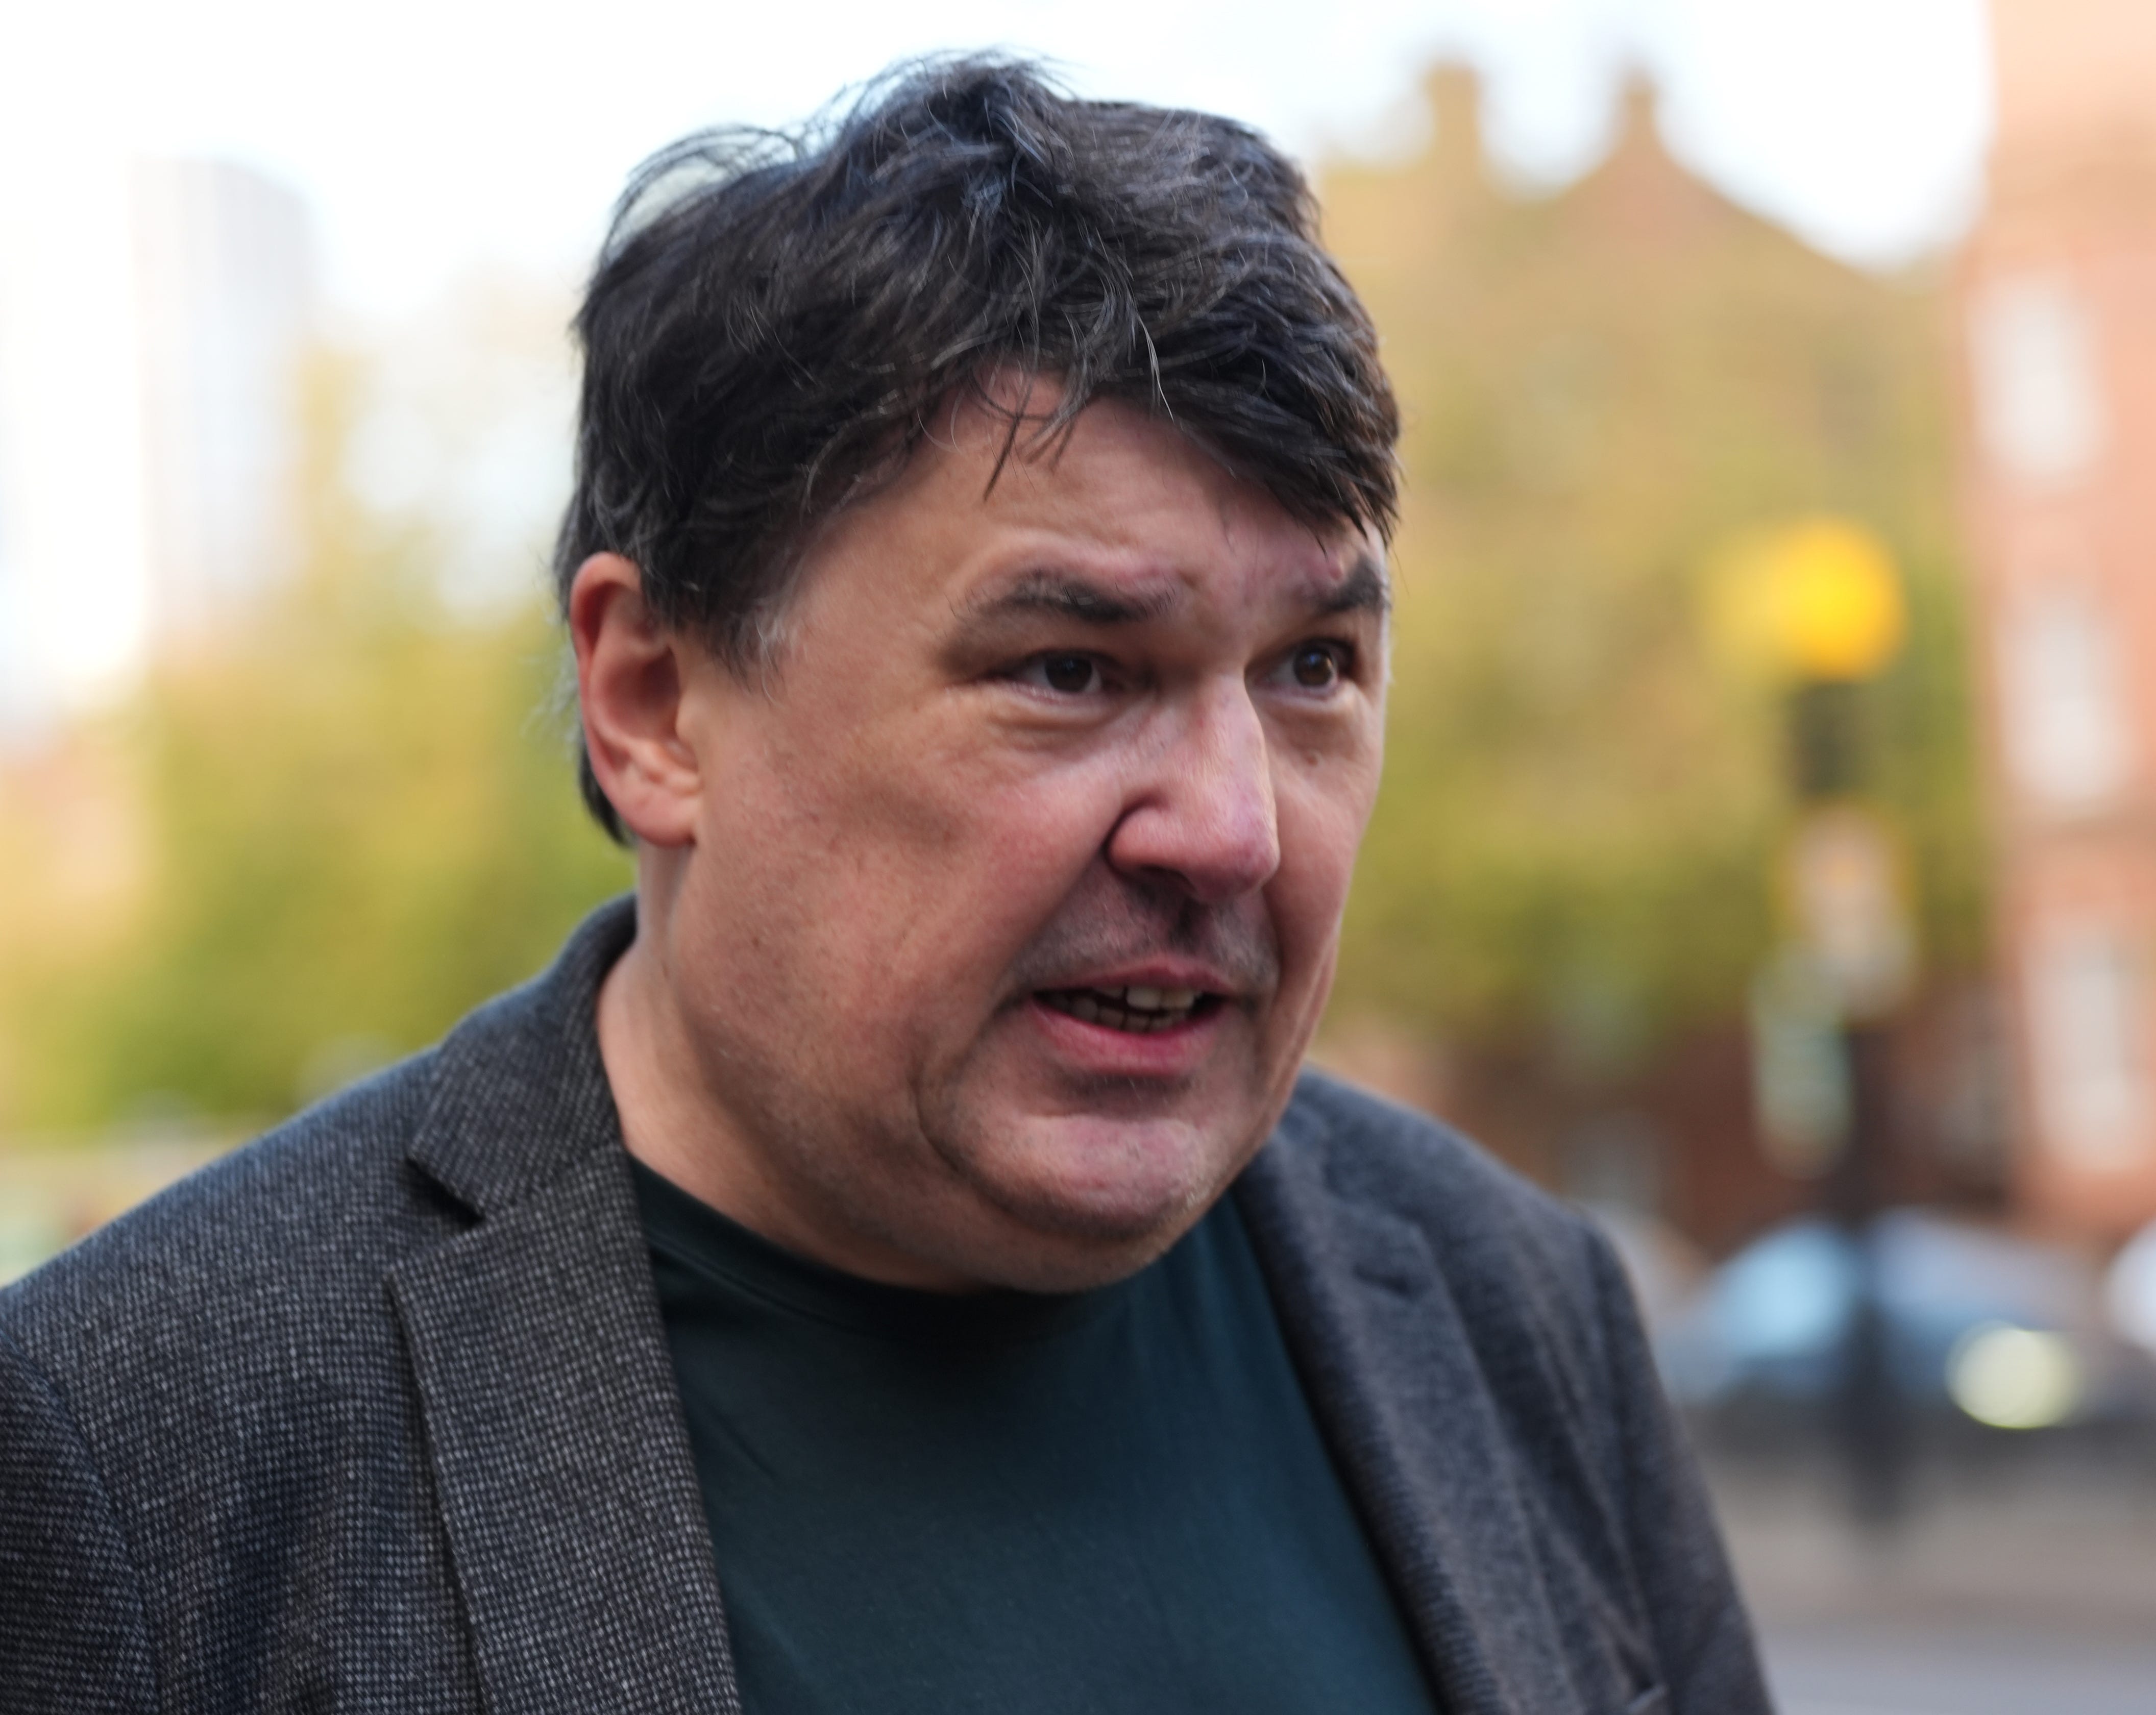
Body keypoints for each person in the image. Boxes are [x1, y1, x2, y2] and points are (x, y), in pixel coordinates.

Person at [0, 57, 1770, 1715]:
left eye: (1313, 669)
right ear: (655, 705)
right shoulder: (136, 1455)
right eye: (1070, 669)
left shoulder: (1522, 1310)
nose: (1233, 830)